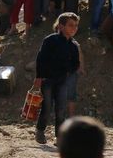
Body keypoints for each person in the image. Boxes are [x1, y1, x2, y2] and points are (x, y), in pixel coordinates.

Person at [33, 12, 80, 144]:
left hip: (62, 81)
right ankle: (40, 131)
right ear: (61, 26)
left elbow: (76, 64)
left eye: (76, 25)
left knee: (60, 110)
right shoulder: (50, 40)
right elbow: (41, 59)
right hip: (47, 80)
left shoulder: (73, 46)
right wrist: (39, 77)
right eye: (71, 25)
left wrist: (68, 69)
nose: (74, 28)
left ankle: (59, 137)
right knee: (47, 107)